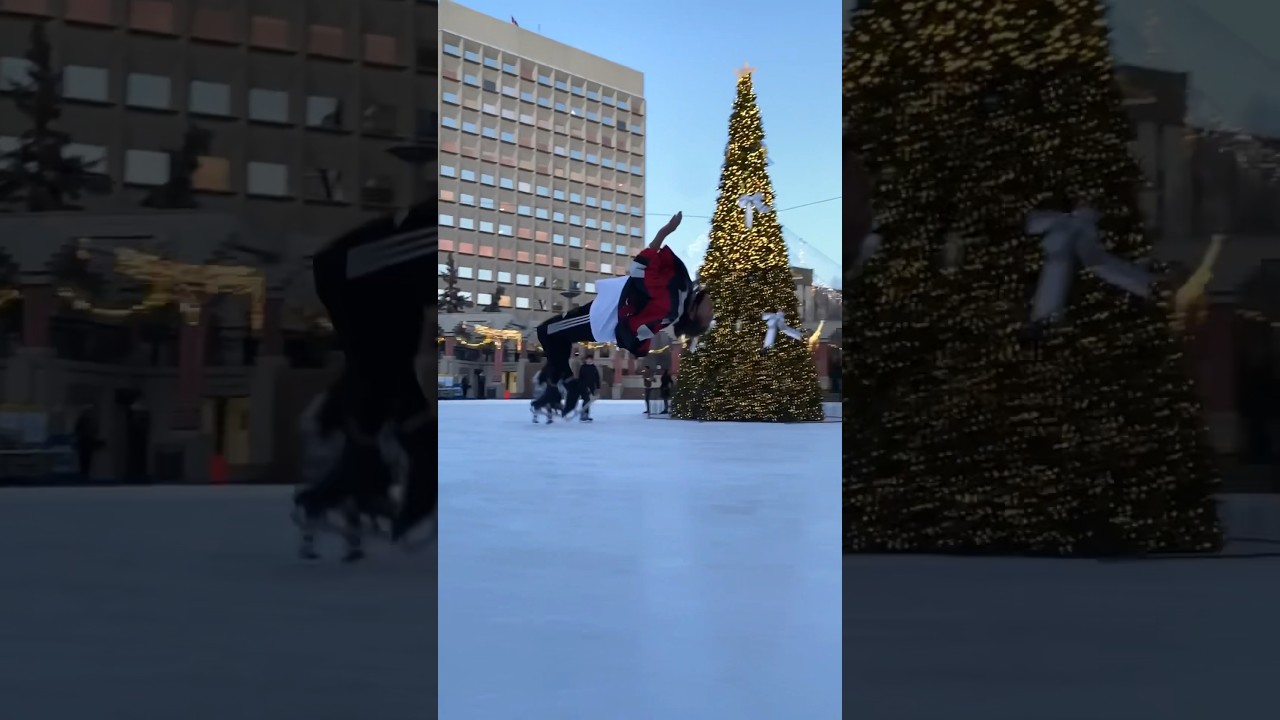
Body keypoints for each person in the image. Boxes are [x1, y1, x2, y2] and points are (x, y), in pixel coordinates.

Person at [294, 203, 436, 560]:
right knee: (386, 375)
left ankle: (358, 473)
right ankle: (357, 475)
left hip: (376, 278)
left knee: (388, 376)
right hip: (358, 275)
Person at [531, 211, 713, 417]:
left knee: (546, 331)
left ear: (693, 313)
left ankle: (570, 388)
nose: (711, 308)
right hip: (605, 310)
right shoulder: (680, 295)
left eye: (708, 314)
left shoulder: (670, 303)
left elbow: (638, 268)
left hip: (599, 317)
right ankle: (558, 388)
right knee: (557, 338)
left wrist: (664, 232)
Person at [564, 354, 602, 421]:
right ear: (586, 360)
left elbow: (597, 378)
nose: (589, 360)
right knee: (586, 400)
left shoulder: (594, 367)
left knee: (588, 402)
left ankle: (585, 415)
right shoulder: (583, 367)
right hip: (584, 387)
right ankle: (583, 415)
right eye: (588, 359)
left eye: (590, 359)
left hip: (591, 387)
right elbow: (580, 377)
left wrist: (598, 387)